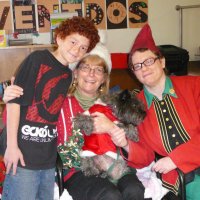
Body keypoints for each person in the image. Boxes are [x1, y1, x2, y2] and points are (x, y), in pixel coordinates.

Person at [3, 43, 145, 200]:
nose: (91, 74)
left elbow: (138, 142)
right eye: (85, 67)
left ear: (104, 78)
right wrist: (12, 99)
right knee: (109, 195)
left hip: (115, 164)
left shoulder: (114, 104)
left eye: (98, 70)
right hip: (77, 170)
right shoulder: (58, 101)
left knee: (134, 189)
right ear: (75, 73)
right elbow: (21, 119)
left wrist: (113, 130)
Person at [2, 16, 99, 200]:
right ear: (59, 38)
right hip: (23, 154)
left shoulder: (68, 74)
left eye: (83, 47)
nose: (76, 49)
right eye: (73, 41)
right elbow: (14, 103)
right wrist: (12, 146)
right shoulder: (37, 59)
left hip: (47, 159)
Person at [126, 24, 200, 200]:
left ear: (162, 61)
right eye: (137, 66)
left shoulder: (194, 86)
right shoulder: (136, 106)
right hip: (182, 177)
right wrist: (125, 144)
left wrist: (176, 158)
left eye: (149, 61)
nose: (144, 68)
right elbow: (144, 156)